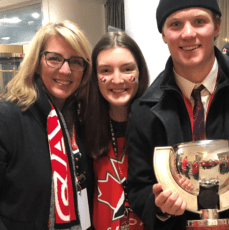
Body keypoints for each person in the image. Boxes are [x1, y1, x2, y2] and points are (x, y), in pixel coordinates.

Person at [126, 0, 229, 229]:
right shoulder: (144, 110)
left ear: (217, 26)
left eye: (199, 21)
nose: (188, 34)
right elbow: (138, 188)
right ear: (164, 35)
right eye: (176, 24)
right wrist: (159, 207)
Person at [0, 21, 94, 230]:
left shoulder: (81, 118)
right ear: (36, 62)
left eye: (76, 61)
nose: (65, 70)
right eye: (54, 59)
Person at [81, 31, 150, 230]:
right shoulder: (82, 127)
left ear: (139, 72)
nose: (117, 80)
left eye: (127, 69)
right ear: (95, 76)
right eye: (106, 71)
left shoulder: (157, 123)